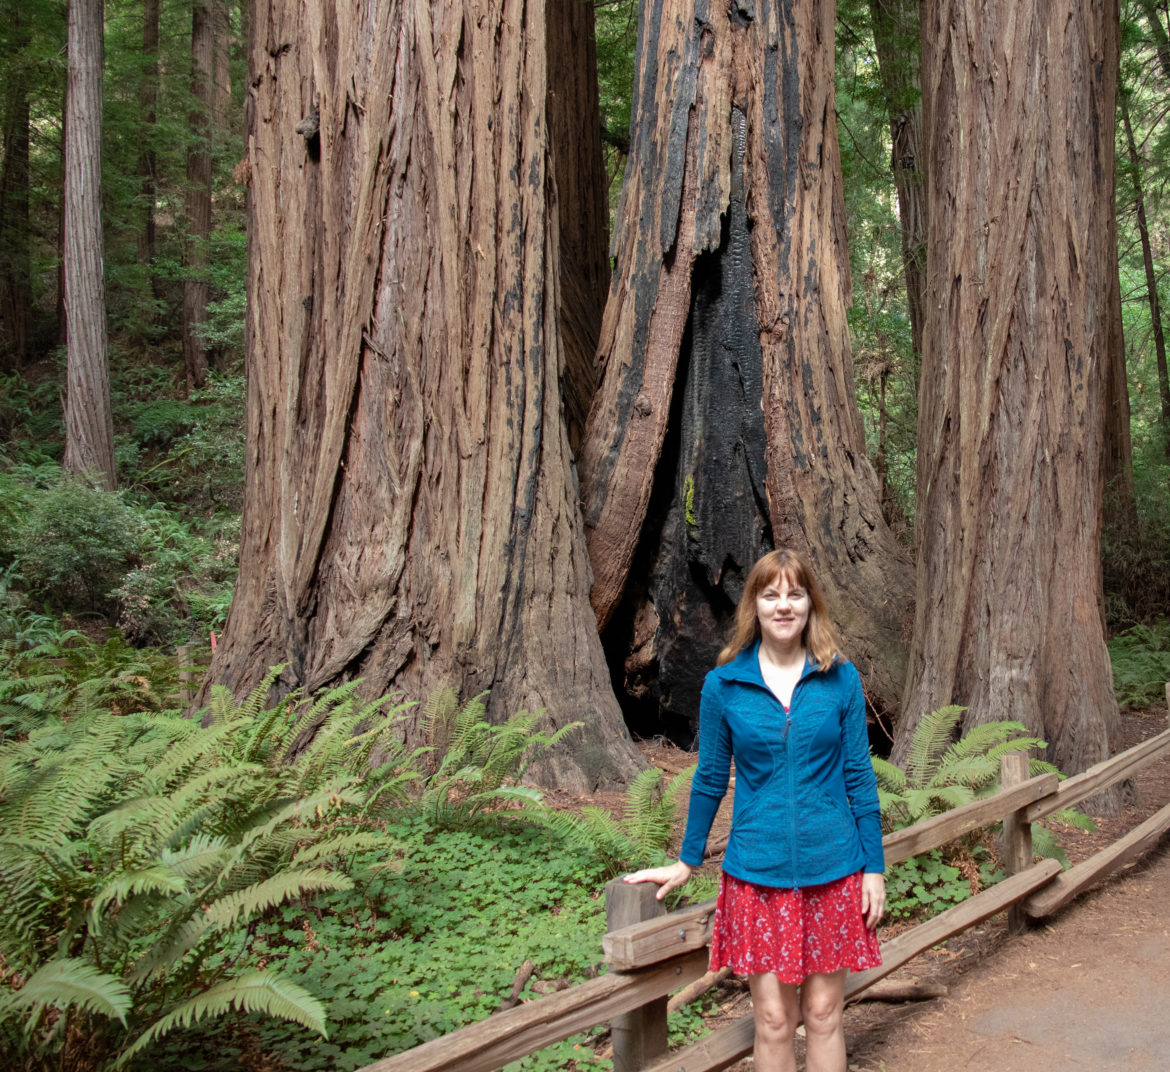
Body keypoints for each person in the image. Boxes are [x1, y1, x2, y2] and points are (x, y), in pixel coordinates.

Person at [624, 548, 885, 1072]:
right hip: (757, 875)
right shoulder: (724, 686)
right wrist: (687, 858)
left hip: (833, 869)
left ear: (811, 603)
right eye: (771, 595)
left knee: (824, 1011)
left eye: (795, 593)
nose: (784, 605)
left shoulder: (841, 679)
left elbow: (859, 776)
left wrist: (873, 868)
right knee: (772, 1018)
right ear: (755, 606)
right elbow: (710, 778)